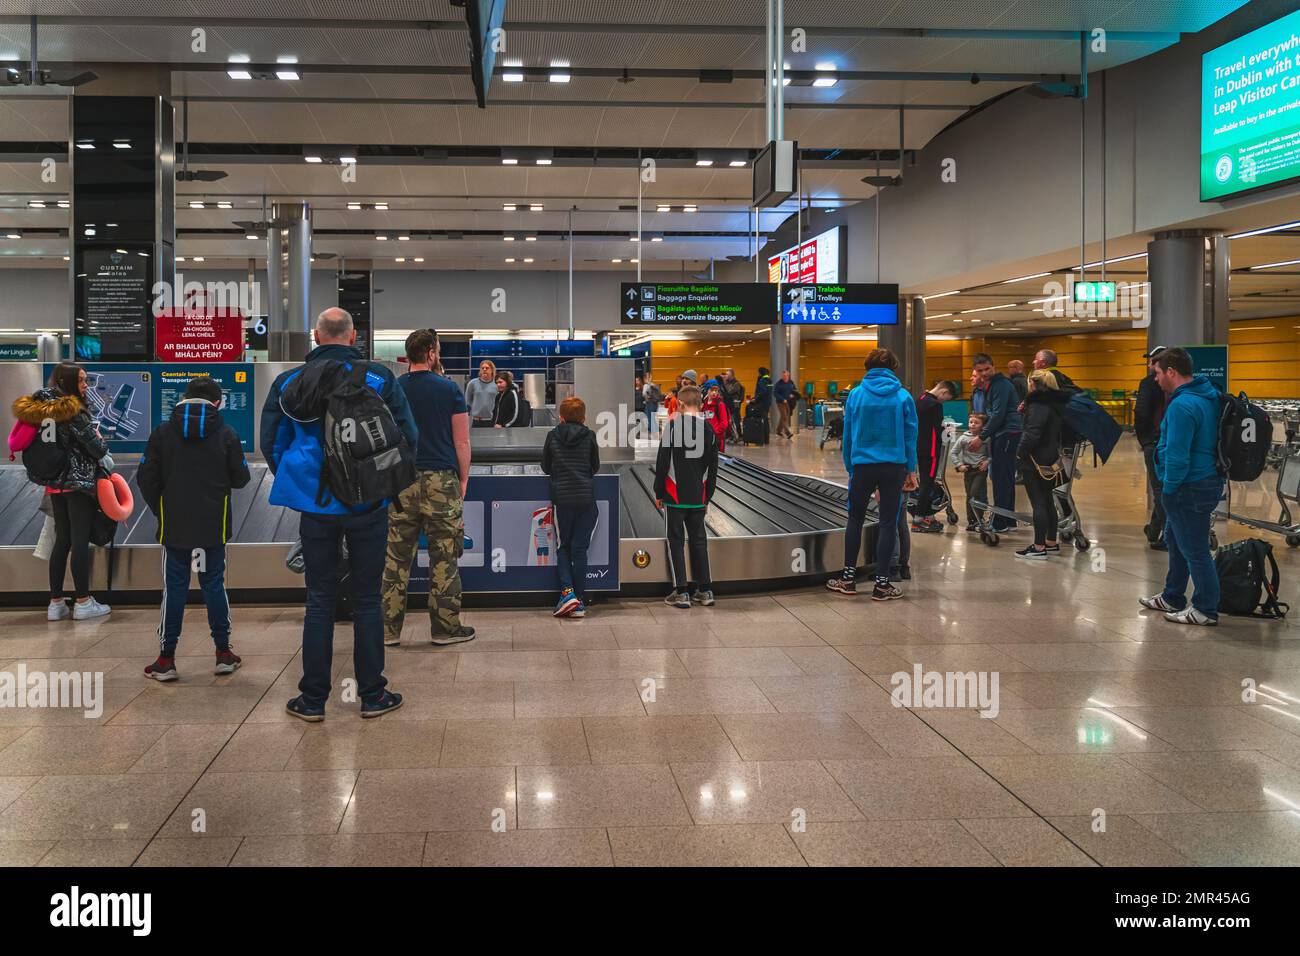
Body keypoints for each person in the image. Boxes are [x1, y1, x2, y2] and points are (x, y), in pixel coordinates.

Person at [259, 307, 416, 721]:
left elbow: (271, 443)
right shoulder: (380, 378)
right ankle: (372, 695)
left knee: (319, 601)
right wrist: (380, 483)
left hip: (316, 506)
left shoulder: (289, 381)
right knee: (367, 599)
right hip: (369, 504)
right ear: (352, 337)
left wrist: (303, 482)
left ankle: (312, 700)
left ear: (315, 336)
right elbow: (407, 437)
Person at [136, 376, 251, 679]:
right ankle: (224, 653)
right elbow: (241, 479)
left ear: (183, 398)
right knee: (214, 585)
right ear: (217, 403)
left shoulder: (162, 433)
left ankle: (166, 659)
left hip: (175, 526)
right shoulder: (227, 434)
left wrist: (163, 509)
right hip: (214, 525)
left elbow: (146, 479)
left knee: (174, 589)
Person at [381, 329, 475, 648]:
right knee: (444, 555)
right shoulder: (449, 389)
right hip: (441, 480)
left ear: (408, 356)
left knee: (396, 556)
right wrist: (462, 480)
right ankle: (445, 628)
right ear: (432, 354)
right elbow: (461, 440)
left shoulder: (392, 389)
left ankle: (387, 630)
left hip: (403, 479)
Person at [11, 361, 113, 620]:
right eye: (81, 380)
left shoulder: (40, 409)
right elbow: (97, 450)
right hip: (77, 483)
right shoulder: (71, 410)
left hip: (53, 483)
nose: (85, 385)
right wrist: (100, 440)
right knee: (79, 541)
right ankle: (83, 601)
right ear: (67, 382)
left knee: (62, 540)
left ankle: (55, 603)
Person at [1140, 348, 1224, 626]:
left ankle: (1205, 608)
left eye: (1158, 373)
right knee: (1176, 541)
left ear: (1171, 372)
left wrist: (1169, 488)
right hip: (1204, 480)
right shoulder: (1207, 395)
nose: (1155, 379)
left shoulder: (1182, 405)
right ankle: (1173, 595)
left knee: (1195, 548)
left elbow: (1177, 454)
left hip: (1189, 485)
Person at [827, 348, 918, 601]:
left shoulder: (856, 395)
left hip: (863, 466)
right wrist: (911, 470)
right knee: (888, 522)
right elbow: (911, 436)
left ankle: (847, 579)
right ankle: (882, 584)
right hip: (894, 467)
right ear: (893, 368)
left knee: (854, 519)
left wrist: (850, 465)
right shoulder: (903, 397)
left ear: (867, 367)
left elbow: (848, 434)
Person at [654, 385, 719, 609]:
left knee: (676, 542)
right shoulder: (709, 430)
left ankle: (681, 592)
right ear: (700, 404)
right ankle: (705, 589)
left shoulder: (672, 428)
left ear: (680, 405)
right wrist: (707, 496)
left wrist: (658, 491)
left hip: (674, 495)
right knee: (699, 541)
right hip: (698, 496)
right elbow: (713, 469)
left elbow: (662, 463)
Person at [541, 395, 601, 618]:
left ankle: (567, 594)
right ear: (584, 417)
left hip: (562, 501)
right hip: (586, 499)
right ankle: (580, 600)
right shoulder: (590, 436)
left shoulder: (552, 435)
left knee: (563, 546)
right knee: (580, 549)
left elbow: (546, 466)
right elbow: (594, 466)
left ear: (561, 417)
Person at [1014, 370, 1071, 559]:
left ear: (1032, 383)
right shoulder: (1054, 404)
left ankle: (1038, 547)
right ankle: (1051, 542)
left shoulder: (1038, 405)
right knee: (1047, 501)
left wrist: (1019, 453)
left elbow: (1032, 433)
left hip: (1035, 460)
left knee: (1038, 503)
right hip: (1050, 458)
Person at [969, 353, 1022, 533]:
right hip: (1004, 433)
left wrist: (981, 437)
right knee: (1004, 477)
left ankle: (1000, 522)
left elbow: (998, 415)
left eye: (987, 369)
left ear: (994, 366)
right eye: (979, 370)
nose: (984, 373)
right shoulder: (991, 385)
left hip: (1008, 433)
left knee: (1001, 478)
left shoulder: (1000, 385)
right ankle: (1008, 520)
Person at [1134, 345, 1169, 551]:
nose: (1149, 364)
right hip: (1168, 441)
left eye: (1153, 361)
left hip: (1155, 443)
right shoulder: (1180, 385)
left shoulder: (1148, 383)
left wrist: (1145, 441)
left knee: (1160, 490)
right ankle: (1154, 529)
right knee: (1163, 489)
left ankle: (1167, 533)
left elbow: (1141, 413)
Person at [910, 379, 956, 533]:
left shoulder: (920, 399)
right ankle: (919, 519)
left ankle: (928, 514)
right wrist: (948, 429)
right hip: (930, 450)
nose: (944, 401)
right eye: (946, 398)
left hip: (918, 446)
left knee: (925, 482)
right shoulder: (935, 405)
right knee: (927, 484)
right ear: (943, 392)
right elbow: (939, 428)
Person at [953, 412, 990, 531]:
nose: (973, 424)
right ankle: (972, 521)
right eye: (971, 422)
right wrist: (959, 465)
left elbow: (991, 454)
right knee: (970, 495)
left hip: (980, 470)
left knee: (975, 493)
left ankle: (979, 518)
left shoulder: (986, 438)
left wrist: (987, 461)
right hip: (968, 471)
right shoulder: (963, 438)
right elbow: (953, 452)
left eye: (976, 423)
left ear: (983, 426)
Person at [464, 359, 498, 428]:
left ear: (492, 370)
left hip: (492, 421)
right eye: (482, 368)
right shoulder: (472, 383)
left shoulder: (496, 384)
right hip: (476, 421)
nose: (484, 369)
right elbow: (467, 400)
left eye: (487, 368)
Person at [701, 379, 731, 452]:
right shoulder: (704, 403)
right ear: (707, 390)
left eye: (716, 390)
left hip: (717, 440)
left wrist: (714, 434)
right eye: (712, 390)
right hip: (706, 439)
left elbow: (724, 423)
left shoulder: (720, 405)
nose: (714, 392)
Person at [773, 370, 798, 439]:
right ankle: (788, 433)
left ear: (788, 375)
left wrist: (792, 394)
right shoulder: (778, 383)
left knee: (784, 416)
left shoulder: (791, 382)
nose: (785, 377)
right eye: (783, 375)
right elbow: (775, 393)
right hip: (780, 402)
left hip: (788, 402)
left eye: (786, 375)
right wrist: (782, 399)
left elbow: (795, 390)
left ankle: (778, 431)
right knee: (784, 416)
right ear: (782, 376)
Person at [722, 369, 745, 442]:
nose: (726, 376)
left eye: (727, 374)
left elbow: (729, 391)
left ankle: (739, 435)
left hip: (735, 403)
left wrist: (724, 382)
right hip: (729, 402)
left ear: (731, 375)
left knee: (736, 419)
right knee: (729, 419)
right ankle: (732, 435)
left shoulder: (736, 383)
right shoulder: (727, 382)